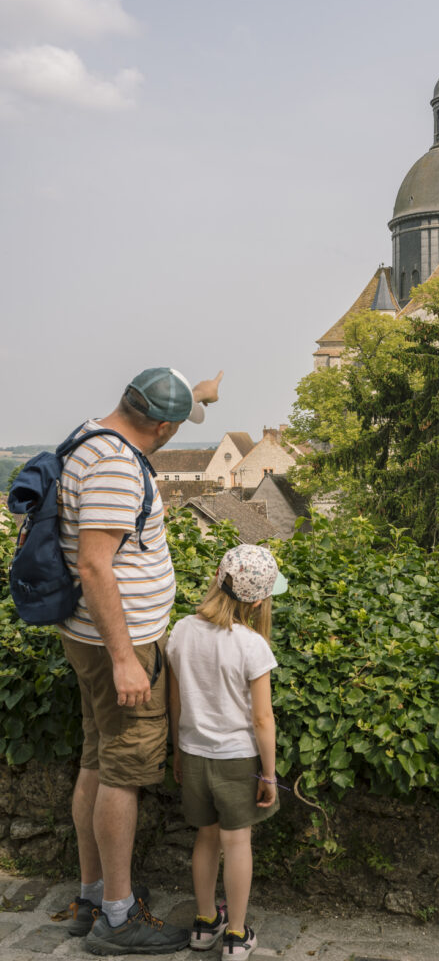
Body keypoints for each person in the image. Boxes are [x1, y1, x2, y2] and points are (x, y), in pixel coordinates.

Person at [59, 366, 223, 955]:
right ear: (162, 424)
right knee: (123, 771)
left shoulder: (94, 435)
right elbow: (95, 565)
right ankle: (118, 918)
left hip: (92, 638)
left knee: (98, 759)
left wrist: (197, 393)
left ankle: (93, 894)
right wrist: (128, 659)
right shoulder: (115, 467)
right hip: (118, 647)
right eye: (176, 424)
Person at [166, 544, 286, 959]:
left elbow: (176, 700)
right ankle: (236, 935)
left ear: (218, 576)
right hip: (237, 759)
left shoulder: (180, 630)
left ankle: (203, 924)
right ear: (258, 601)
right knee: (237, 844)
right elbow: (262, 720)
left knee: (205, 839)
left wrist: (179, 752)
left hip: (194, 752)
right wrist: (268, 775)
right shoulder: (252, 646)